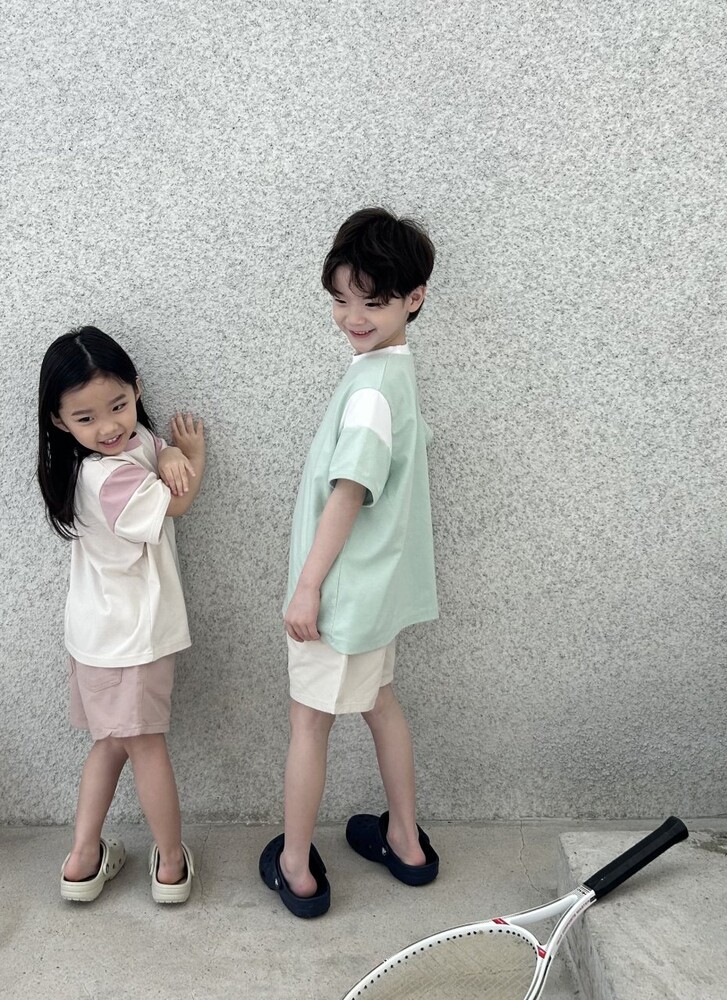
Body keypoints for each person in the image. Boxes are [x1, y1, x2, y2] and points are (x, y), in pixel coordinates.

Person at [259, 207, 440, 918]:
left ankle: (296, 869)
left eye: (373, 301)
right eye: (341, 299)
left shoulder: (370, 391)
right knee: (381, 704)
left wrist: (307, 587)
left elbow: (350, 490)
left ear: (414, 298)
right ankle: (406, 843)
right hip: (376, 593)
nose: (352, 317)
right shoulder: (395, 373)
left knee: (309, 723)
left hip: (338, 597)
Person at [37, 326, 206, 904]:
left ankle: (83, 861)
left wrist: (170, 451)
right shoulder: (107, 478)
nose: (109, 426)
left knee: (111, 743)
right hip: (131, 637)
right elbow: (176, 503)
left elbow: (151, 447)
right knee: (145, 746)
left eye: (117, 405)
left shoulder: (125, 447)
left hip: (97, 637)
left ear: (136, 389)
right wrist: (194, 455)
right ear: (59, 421)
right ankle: (171, 867)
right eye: (86, 418)